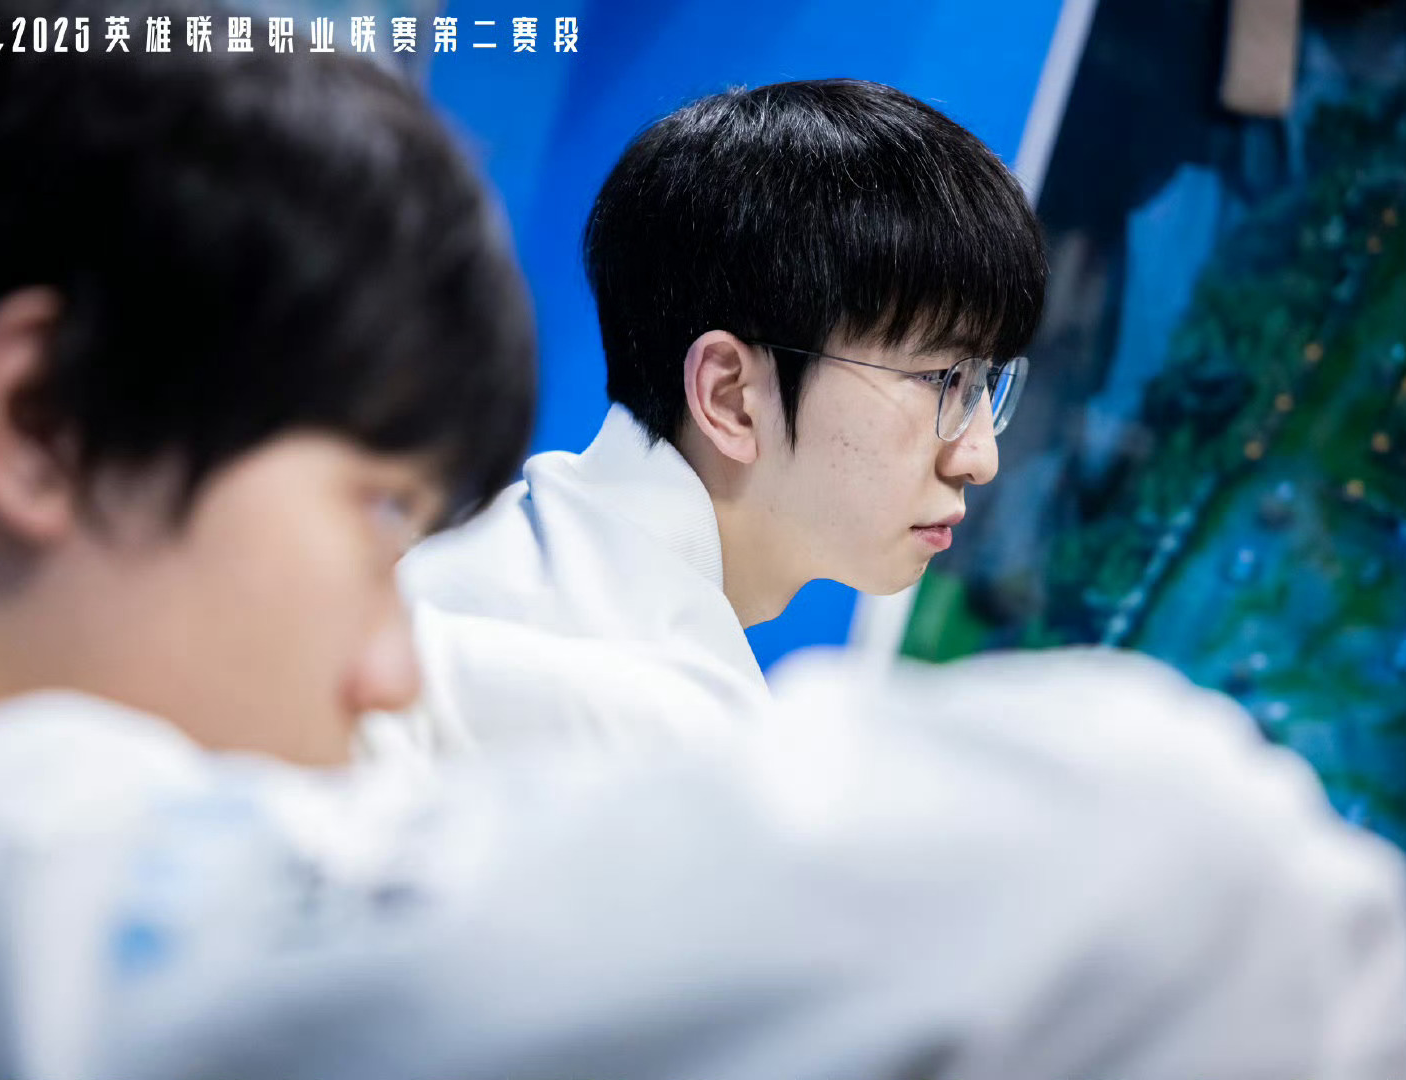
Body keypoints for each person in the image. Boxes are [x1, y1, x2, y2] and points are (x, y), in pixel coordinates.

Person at [0, 3, 1403, 1076]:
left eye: (989, 390)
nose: (389, 656)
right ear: (41, 421)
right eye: (375, 511)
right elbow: (1150, 864)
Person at [390, 78, 1046, 754]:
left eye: (983, 387)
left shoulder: (486, 561)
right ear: (730, 396)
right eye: (941, 380)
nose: (979, 456)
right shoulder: (647, 727)